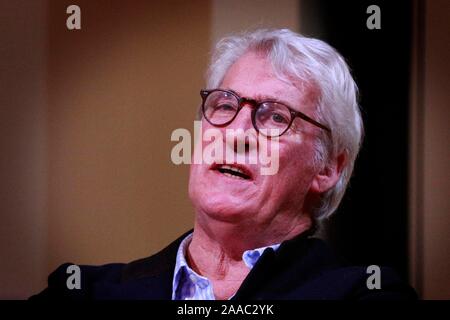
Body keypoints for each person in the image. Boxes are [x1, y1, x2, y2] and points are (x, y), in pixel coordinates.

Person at [31, 29, 416, 300]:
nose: (236, 133)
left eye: (275, 117)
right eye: (225, 105)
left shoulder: (363, 295)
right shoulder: (85, 291)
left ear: (327, 168)